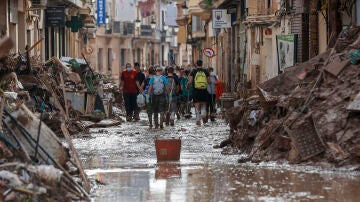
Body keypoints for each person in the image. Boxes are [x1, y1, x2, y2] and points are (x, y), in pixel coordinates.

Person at [187, 59, 210, 125]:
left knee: (197, 104)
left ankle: (198, 119)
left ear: (196, 64)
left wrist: (187, 86)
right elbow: (209, 81)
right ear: (202, 64)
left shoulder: (193, 71)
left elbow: (190, 82)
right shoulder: (205, 71)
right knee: (203, 103)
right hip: (204, 90)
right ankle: (203, 113)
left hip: (196, 90)